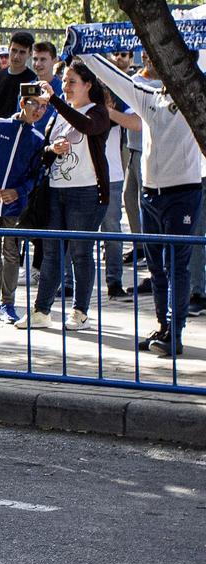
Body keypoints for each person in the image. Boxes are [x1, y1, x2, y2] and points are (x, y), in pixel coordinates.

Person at [86, 54, 204, 357]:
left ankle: (175, 333)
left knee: (178, 264)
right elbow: (115, 78)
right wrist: (85, 51)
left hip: (184, 192)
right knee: (156, 266)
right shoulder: (148, 94)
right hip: (152, 193)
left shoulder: (198, 98)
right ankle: (163, 324)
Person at [18, 66, 115, 331]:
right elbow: (44, 152)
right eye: (64, 81)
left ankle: (80, 311)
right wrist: (52, 148)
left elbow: (86, 126)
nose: (66, 85)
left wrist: (56, 101)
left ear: (88, 85)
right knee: (51, 252)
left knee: (81, 252)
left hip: (86, 193)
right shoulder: (57, 116)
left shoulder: (97, 111)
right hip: (55, 191)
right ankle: (41, 310)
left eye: (72, 81)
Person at [0, 92, 52, 323]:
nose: (38, 110)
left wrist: (18, 191)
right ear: (22, 103)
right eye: (34, 103)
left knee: (11, 254)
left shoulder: (37, 139)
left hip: (14, 206)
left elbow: (36, 176)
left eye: (44, 106)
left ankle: (8, 302)